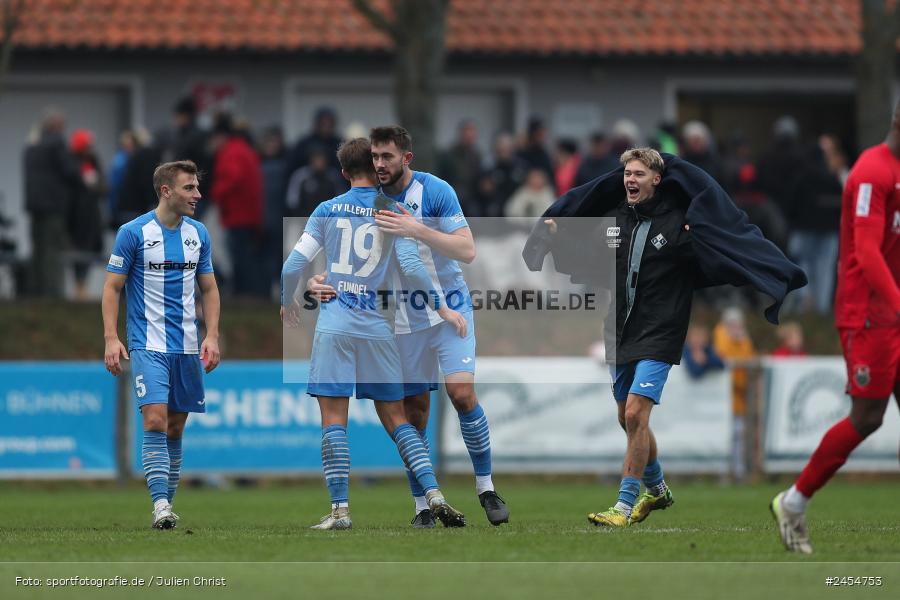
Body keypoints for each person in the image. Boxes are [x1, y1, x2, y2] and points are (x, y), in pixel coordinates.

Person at [527, 147, 805, 528]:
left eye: (639, 174)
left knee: (636, 413)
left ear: (657, 180)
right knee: (627, 419)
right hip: (619, 328)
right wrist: (559, 237)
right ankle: (657, 490)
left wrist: (768, 271)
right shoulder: (615, 221)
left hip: (662, 330)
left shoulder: (681, 226)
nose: (630, 180)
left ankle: (623, 508)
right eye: (627, 173)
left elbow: (728, 248)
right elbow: (591, 257)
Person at [310, 126, 510, 527]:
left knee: (462, 392)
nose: (380, 164)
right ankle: (422, 507)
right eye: (375, 158)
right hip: (400, 319)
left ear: (407, 159)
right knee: (414, 413)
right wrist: (318, 281)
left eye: (387, 157)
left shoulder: (435, 191)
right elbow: (345, 259)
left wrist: (416, 228)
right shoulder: (370, 202)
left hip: (448, 306)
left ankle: (486, 487)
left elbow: (467, 250)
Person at [280, 138, 466, 530]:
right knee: (399, 420)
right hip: (379, 329)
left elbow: (292, 266)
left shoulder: (327, 210)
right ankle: (434, 494)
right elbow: (414, 269)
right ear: (375, 168)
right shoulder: (392, 210)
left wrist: (289, 300)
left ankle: (340, 511)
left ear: (344, 172)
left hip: (335, 326)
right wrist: (443, 307)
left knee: (334, 420)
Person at [770, 102, 900, 555]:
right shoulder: (871, 172)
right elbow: (866, 252)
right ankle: (793, 502)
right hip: (868, 314)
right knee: (867, 417)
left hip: (895, 310)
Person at [102, 160, 221, 529]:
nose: (198, 195)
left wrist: (212, 334)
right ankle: (160, 508)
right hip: (146, 343)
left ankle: (167, 503)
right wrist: (111, 337)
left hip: (186, 345)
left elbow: (210, 288)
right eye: (189, 188)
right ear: (166, 191)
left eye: (197, 188)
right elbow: (112, 287)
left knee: (175, 428)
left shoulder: (199, 233)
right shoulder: (133, 232)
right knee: (154, 419)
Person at [23, 108, 80, 297]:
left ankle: (34, 291)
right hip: (53, 206)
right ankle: (52, 293)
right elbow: (70, 171)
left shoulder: (32, 144)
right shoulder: (57, 143)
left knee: (37, 248)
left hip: (34, 205)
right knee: (52, 250)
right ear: (57, 126)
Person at [713, 307, 757, 481]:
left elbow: (749, 359)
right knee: (725, 436)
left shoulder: (743, 339)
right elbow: (724, 357)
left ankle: (738, 472)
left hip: (739, 396)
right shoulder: (721, 335)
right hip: (723, 398)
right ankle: (724, 472)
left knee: (739, 436)